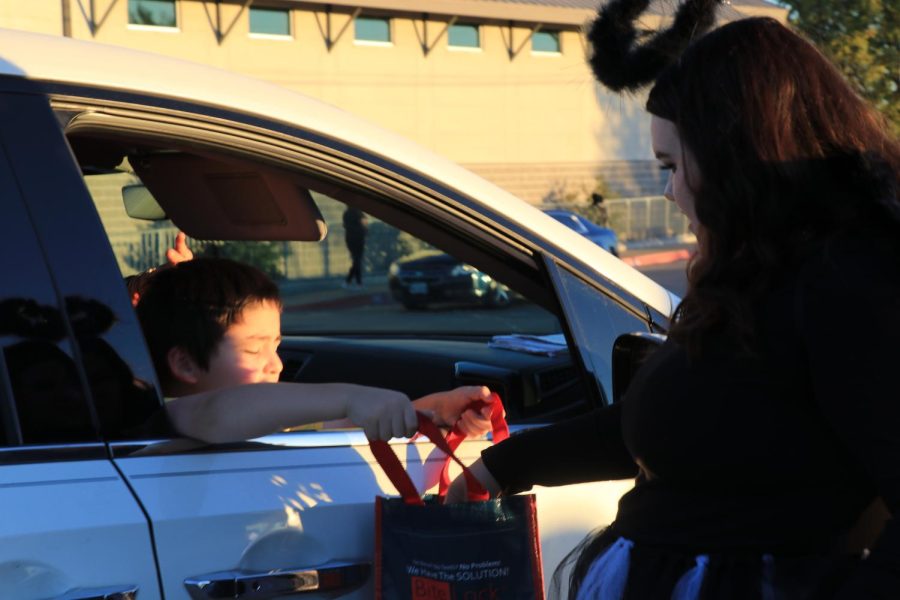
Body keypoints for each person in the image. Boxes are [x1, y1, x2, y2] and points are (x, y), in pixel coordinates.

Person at [448, 1, 900, 598]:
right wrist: (507, 464)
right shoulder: (759, 274)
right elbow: (687, 427)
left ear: (739, 161)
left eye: (673, 164)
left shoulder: (848, 281)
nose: (669, 190)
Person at [136, 255, 494, 443]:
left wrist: (433, 410)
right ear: (184, 363)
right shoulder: (173, 417)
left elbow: (341, 425)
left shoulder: (265, 421)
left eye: (275, 345)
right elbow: (218, 413)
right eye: (253, 349)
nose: (274, 364)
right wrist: (350, 395)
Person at [342, 206, 368, 288]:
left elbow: (345, 226)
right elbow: (364, 224)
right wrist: (364, 231)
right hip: (358, 239)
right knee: (357, 260)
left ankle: (354, 282)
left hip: (350, 239)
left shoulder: (346, 214)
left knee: (356, 260)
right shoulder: (359, 213)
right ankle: (354, 282)